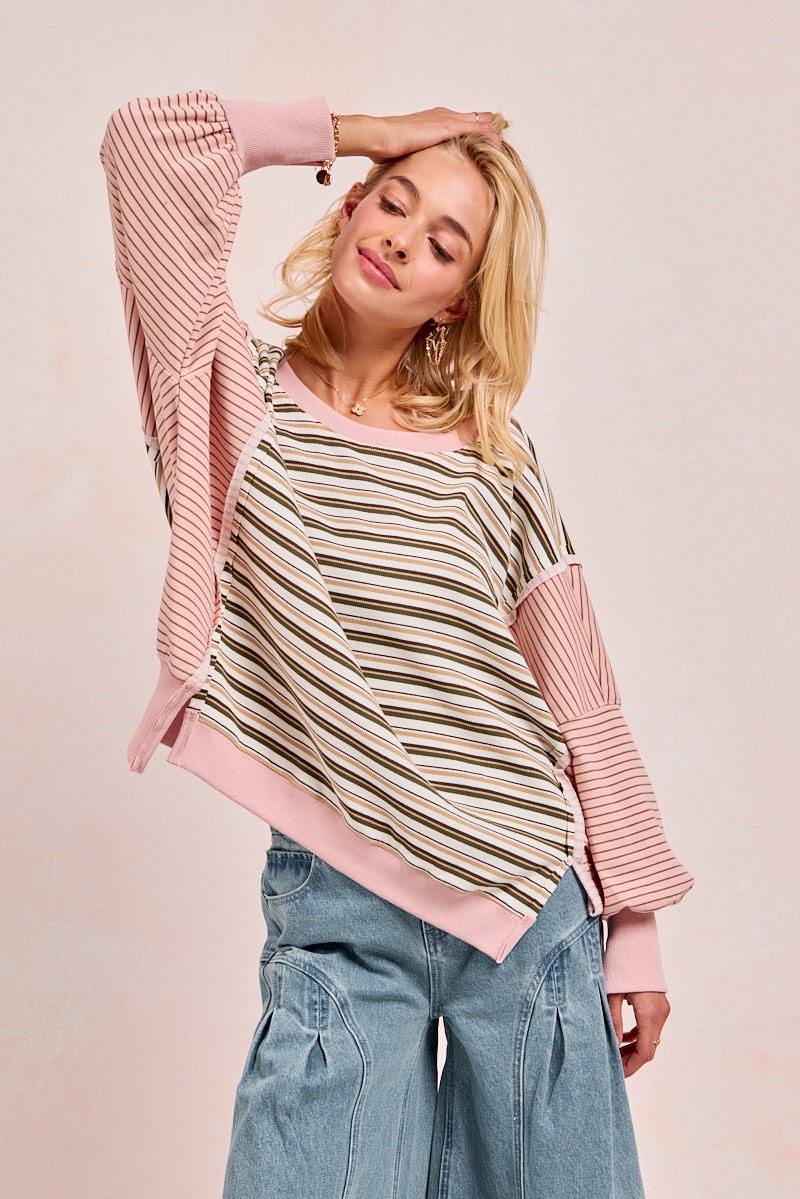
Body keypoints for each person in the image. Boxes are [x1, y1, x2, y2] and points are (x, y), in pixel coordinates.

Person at [99, 88, 694, 1197]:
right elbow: (146, 145)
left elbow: (582, 697)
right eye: (394, 202)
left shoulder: (494, 458)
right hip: (338, 904)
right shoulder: (228, 402)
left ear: (455, 299)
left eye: (444, 242)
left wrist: (635, 926)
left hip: (526, 905)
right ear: (352, 206)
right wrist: (365, 137)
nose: (402, 238)